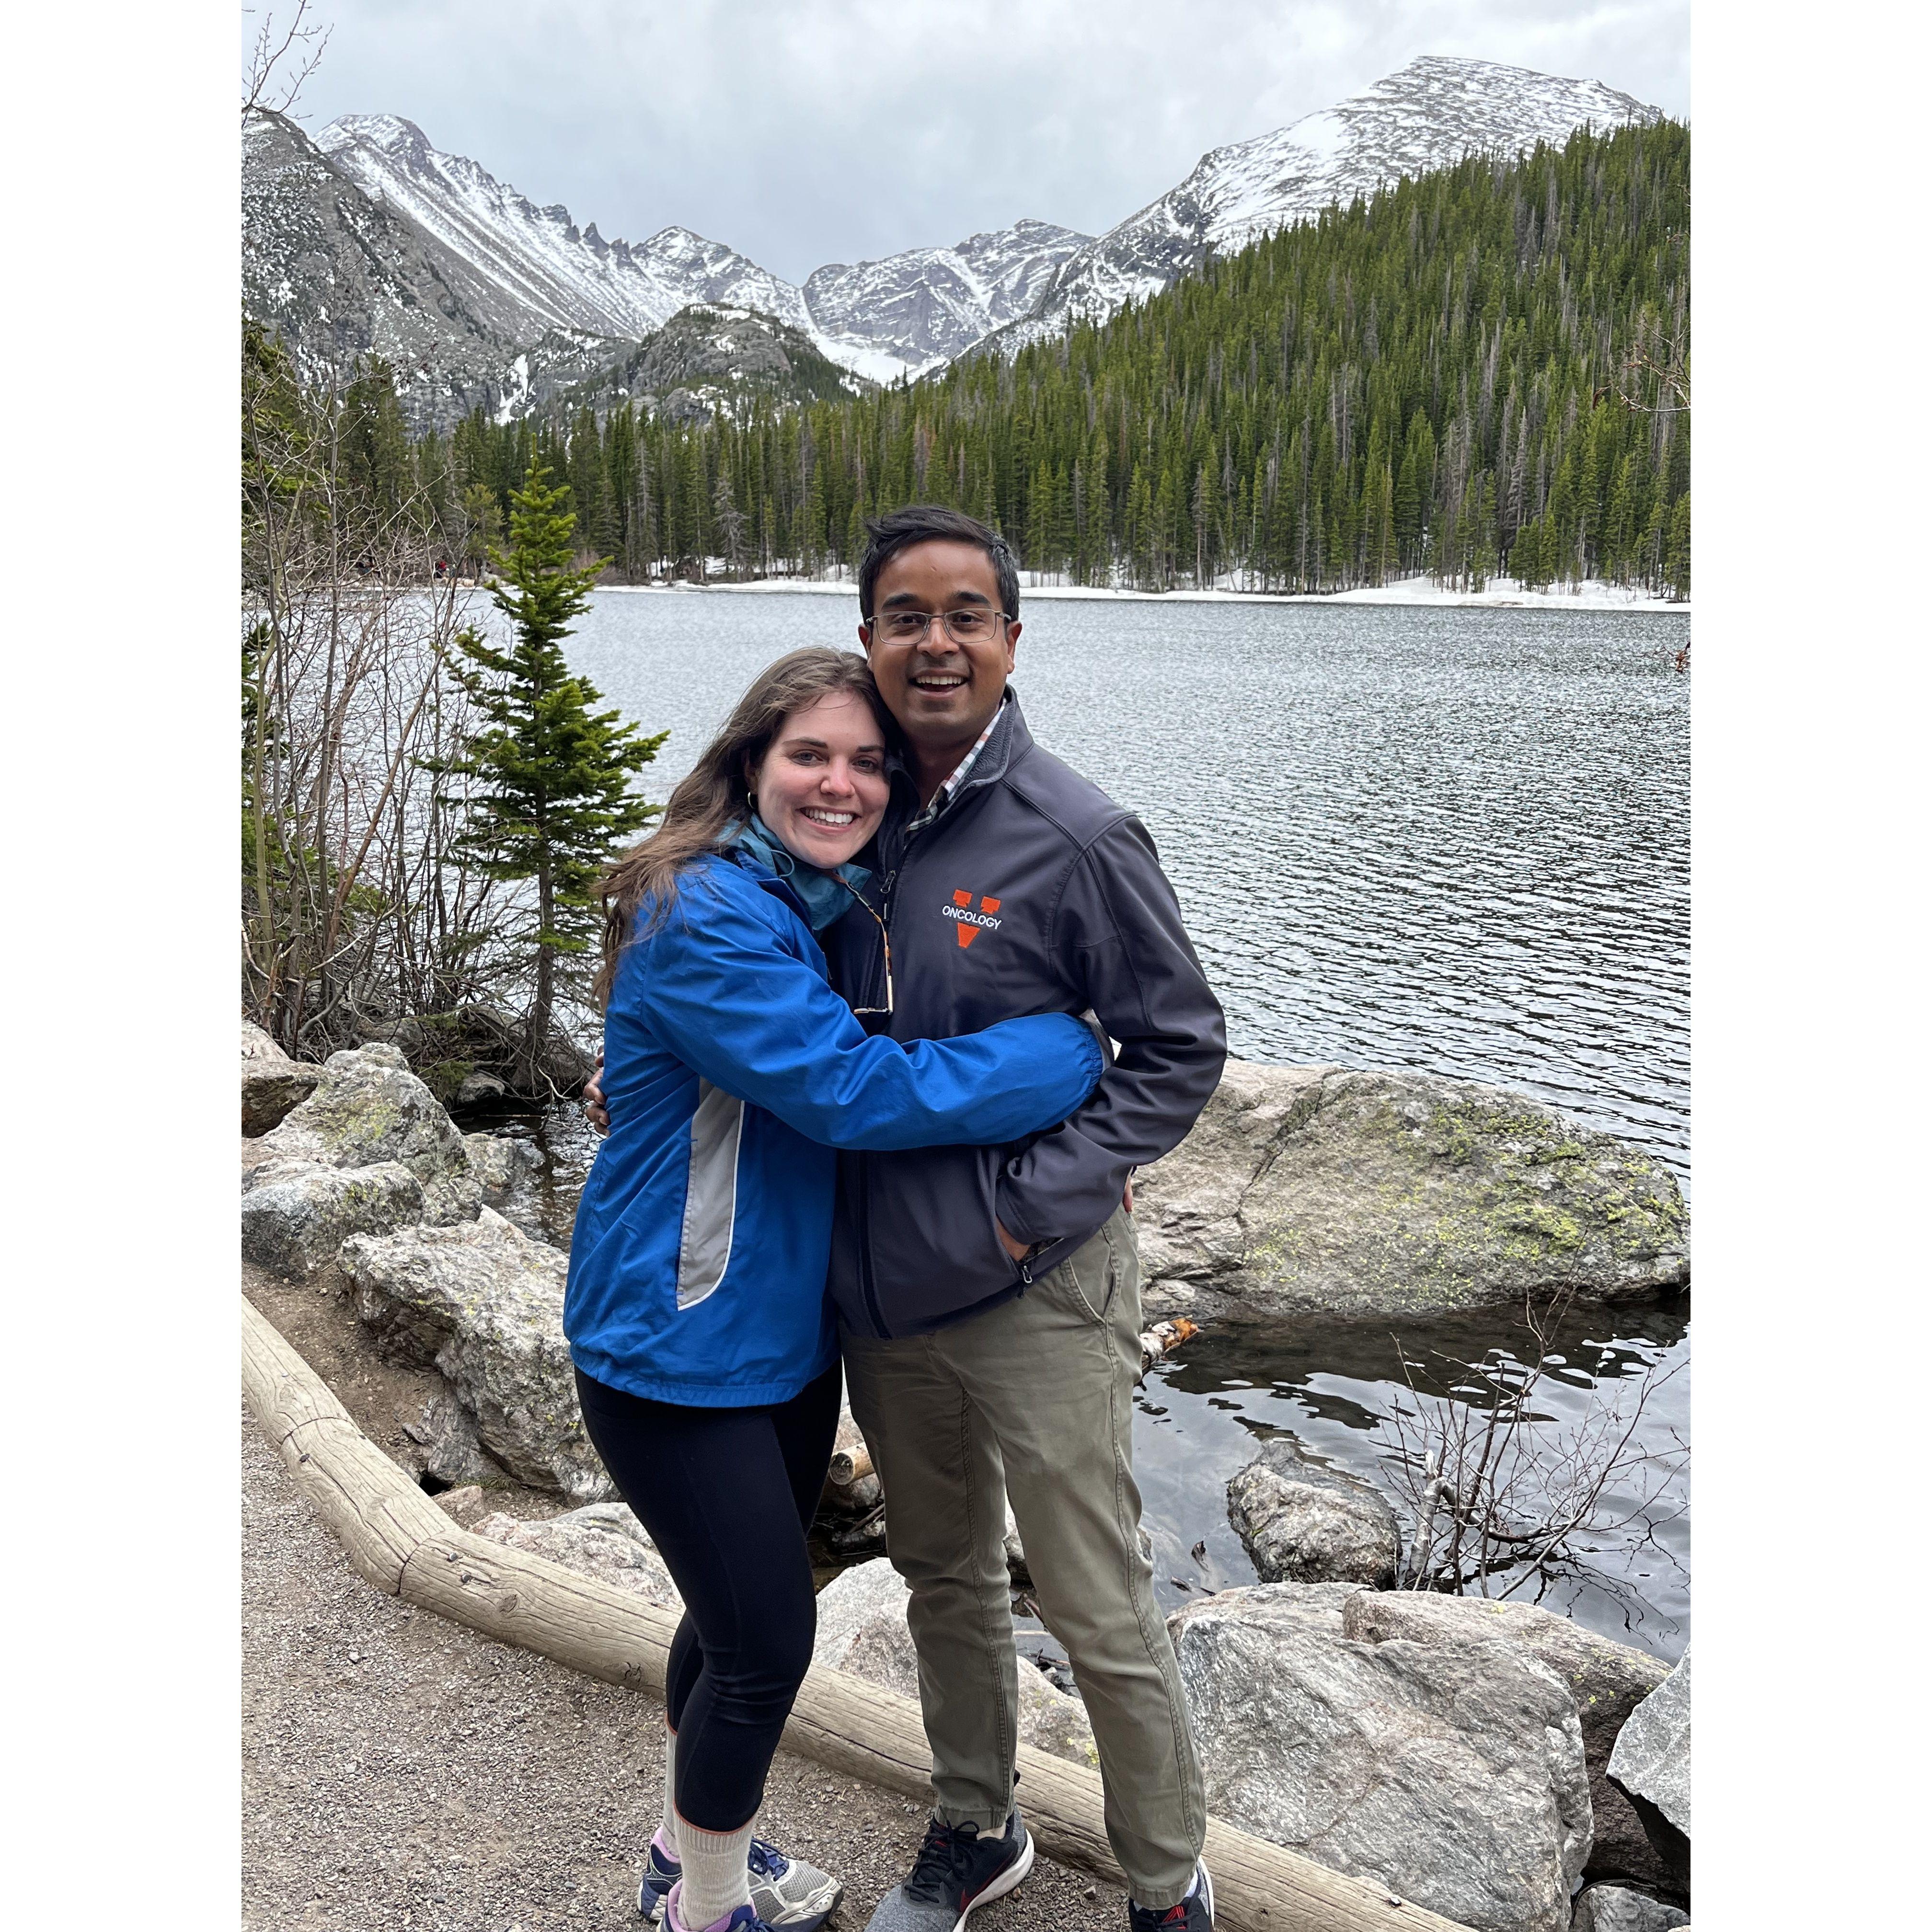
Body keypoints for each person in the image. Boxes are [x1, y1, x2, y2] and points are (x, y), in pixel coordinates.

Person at [567, 645, 1106, 1932]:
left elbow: (827, 1052)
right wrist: (1064, 1054)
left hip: (779, 1340)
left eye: (869, 761)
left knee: (731, 1617)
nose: (840, 781)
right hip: (674, 1341)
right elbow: (855, 1093)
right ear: (751, 763)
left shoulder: (804, 904)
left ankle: (683, 1852)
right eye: (809, 753)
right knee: (763, 1646)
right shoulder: (703, 911)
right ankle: (705, 1908)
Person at [828, 508, 1226, 1932]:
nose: (934, 643)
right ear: (868, 634)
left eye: (964, 616)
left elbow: (1177, 1051)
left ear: (1010, 637)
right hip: (878, 1295)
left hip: (1033, 1288)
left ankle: (1168, 1883)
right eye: (904, 616)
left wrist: (1023, 1216)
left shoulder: (1078, 833)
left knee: (1096, 1598)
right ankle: (972, 1825)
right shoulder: (834, 810)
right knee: (940, 1575)